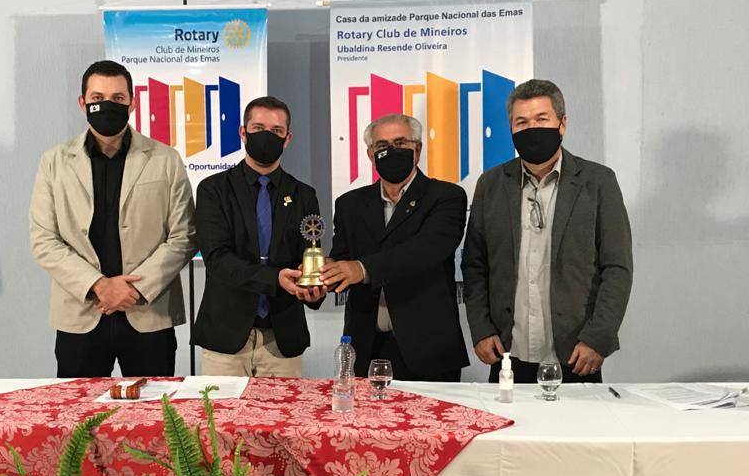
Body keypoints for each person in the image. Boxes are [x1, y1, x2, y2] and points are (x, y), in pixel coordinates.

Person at [30, 60, 196, 378]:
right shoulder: (54, 162)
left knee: (155, 409)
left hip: (148, 312)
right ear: (83, 103)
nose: (107, 105)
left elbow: (184, 236)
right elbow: (44, 239)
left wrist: (131, 289)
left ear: (132, 103)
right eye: (98, 98)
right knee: (80, 410)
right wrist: (99, 285)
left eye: (118, 98)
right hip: (81, 314)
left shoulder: (166, 159)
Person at [462, 78, 632, 383]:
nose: (532, 129)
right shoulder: (491, 185)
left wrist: (598, 337)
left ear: (562, 123)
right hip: (507, 355)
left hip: (577, 354)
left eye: (542, 119)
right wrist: (481, 329)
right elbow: (474, 265)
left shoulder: (598, 182)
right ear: (511, 128)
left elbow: (617, 267)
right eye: (522, 122)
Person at [323, 113, 469, 381]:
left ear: (418, 150)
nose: (391, 151)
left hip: (428, 349)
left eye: (400, 143)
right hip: (366, 346)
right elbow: (342, 258)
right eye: (382, 146)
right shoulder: (349, 204)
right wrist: (323, 275)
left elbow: (426, 250)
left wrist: (362, 268)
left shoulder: (446, 197)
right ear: (370, 154)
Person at [193, 96, 326, 376]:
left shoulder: (304, 195)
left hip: (282, 339)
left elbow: (309, 256)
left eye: (277, 131)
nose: (267, 136)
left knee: (285, 409)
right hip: (226, 338)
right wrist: (274, 278)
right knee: (219, 408)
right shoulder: (213, 190)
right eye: (258, 128)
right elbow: (217, 259)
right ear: (243, 132)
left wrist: (313, 289)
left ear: (287, 138)